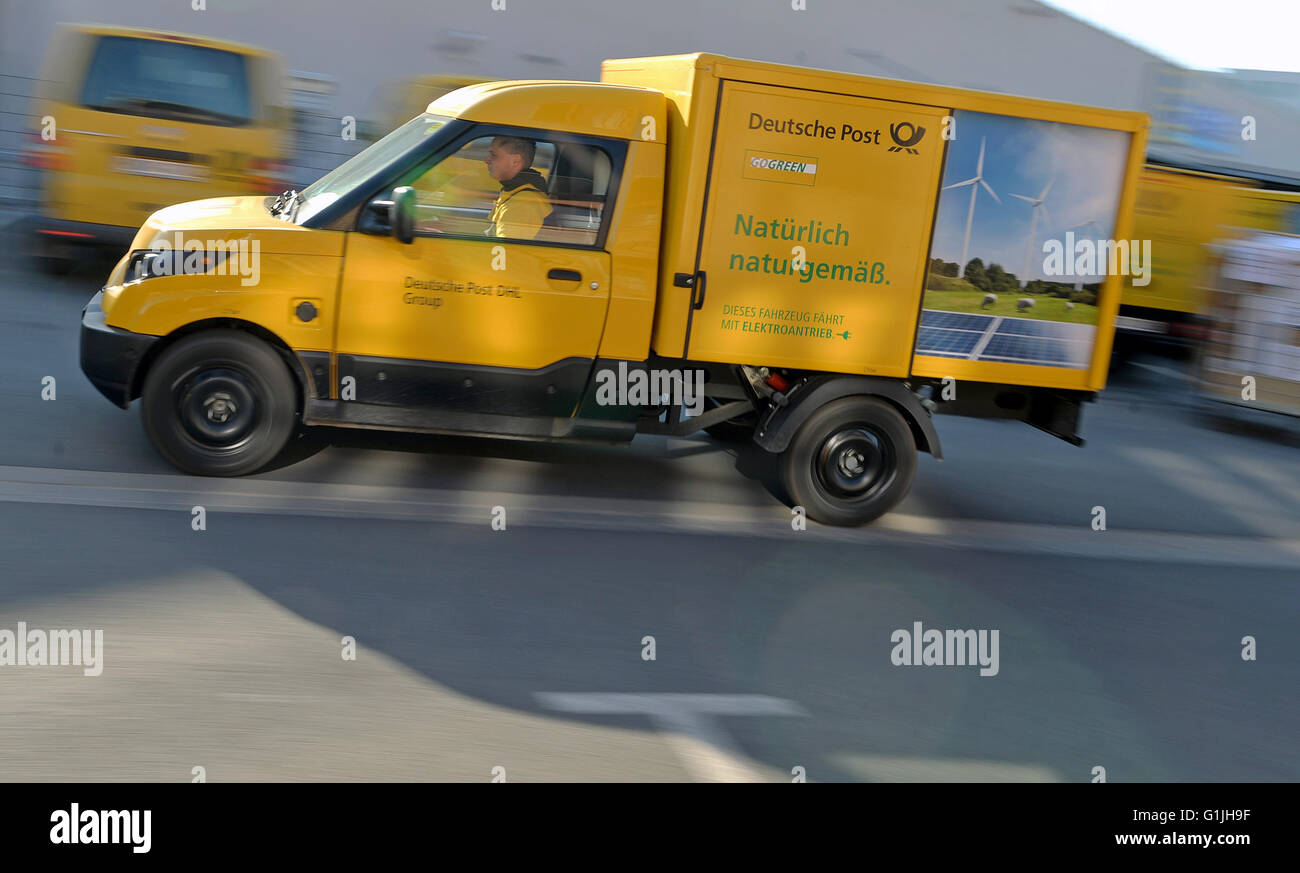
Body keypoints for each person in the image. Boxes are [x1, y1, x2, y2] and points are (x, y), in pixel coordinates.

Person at [484, 136, 552, 240]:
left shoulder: (521, 204)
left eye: (494, 155)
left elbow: (506, 253)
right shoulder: (514, 193)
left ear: (515, 161)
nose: (486, 160)